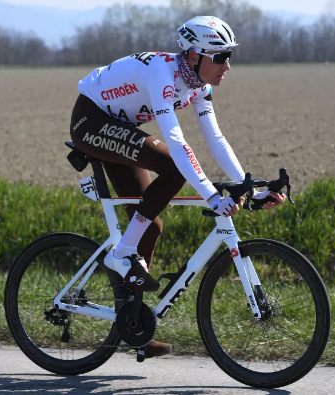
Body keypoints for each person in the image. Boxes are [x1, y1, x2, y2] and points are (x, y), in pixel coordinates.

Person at [69, 16, 286, 357]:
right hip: (91, 122)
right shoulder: (163, 75)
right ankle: (122, 254)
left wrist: (251, 188)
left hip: (119, 128)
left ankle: (134, 326)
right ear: (194, 56)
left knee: (150, 226)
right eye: (220, 57)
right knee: (172, 167)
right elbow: (176, 140)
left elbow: (215, 139)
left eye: (230, 56)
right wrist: (212, 197)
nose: (227, 66)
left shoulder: (200, 85)